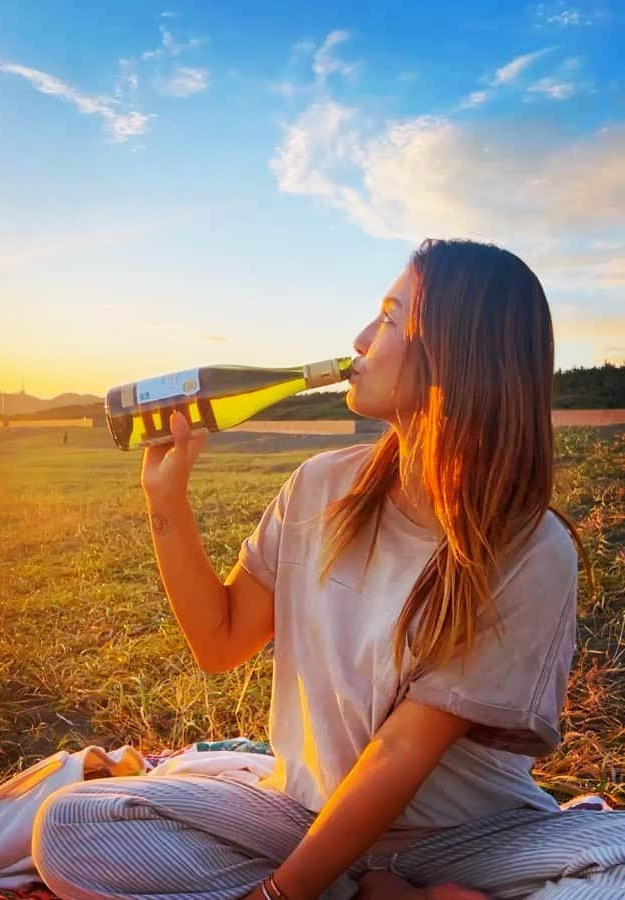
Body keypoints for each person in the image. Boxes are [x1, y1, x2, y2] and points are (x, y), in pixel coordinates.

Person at [32, 239, 623, 900]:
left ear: (455, 354)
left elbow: (401, 753)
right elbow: (219, 641)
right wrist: (164, 502)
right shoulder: (319, 489)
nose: (361, 338)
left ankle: (358, 888)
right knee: (71, 827)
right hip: (302, 816)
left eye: (391, 318)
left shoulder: (531, 548)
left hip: (468, 839)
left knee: (616, 866)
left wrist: (279, 895)